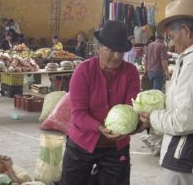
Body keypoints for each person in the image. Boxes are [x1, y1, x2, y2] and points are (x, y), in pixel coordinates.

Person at [59, 20, 148, 185]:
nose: (116, 56)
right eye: (111, 50)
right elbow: (78, 114)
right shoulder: (83, 71)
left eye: (120, 51)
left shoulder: (130, 72)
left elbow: (131, 108)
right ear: (98, 48)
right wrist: (99, 128)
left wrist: (139, 124)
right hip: (82, 143)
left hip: (116, 147)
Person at [139, 0, 193, 185]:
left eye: (171, 37)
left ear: (186, 30)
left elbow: (189, 119)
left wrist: (153, 117)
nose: (170, 44)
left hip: (189, 159)